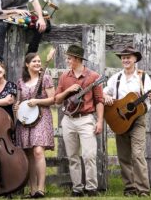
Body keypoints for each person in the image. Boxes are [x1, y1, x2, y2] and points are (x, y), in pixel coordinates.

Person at [103, 46, 151, 197]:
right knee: (124, 156)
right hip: (120, 120)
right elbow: (103, 92)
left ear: (135, 59)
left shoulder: (143, 77)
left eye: (128, 57)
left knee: (137, 155)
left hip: (137, 120)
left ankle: (143, 190)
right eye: (123, 57)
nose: (126, 60)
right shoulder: (116, 78)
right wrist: (106, 96)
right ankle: (129, 188)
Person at [54, 44, 104, 197]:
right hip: (68, 120)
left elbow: (99, 100)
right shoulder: (64, 76)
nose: (67, 61)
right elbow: (57, 100)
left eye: (69, 58)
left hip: (86, 119)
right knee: (72, 156)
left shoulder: (93, 77)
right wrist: (68, 90)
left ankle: (91, 188)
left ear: (77, 59)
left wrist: (100, 121)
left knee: (89, 155)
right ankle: (77, 189)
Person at [14, 53, 55, 198]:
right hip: (26, 119)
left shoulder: (46, 78)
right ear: (27, 64)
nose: (37, 63)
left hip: (42, 117)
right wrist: (17, 107)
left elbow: (52, 99)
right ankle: (32, 190)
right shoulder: (20, 82)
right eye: (34, 61)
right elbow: (19, 102)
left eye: (39, 61)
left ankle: (41, 188)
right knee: (29, 154)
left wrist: (37, 101)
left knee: (38, 151)